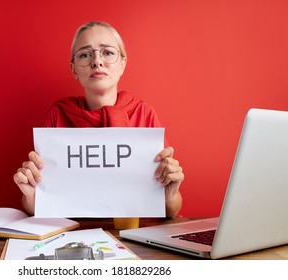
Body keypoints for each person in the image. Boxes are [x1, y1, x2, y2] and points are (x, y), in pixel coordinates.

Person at [13, 21, 184, 218]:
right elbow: (38, 207)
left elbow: (171, 210)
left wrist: (170, 193)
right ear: (74, 69)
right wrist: (31, 194)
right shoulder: (59, 114)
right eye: (85, 55)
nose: (97, 61)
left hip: (132, 233)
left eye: (108, 53)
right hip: (73, 234)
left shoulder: (144, 113)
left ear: (122, 63)